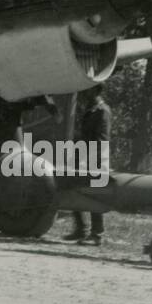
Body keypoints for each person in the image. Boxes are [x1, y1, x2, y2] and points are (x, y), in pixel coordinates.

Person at [62, 85, 112, 246]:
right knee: (74, 189)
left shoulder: (102, 110)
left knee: (94, 195)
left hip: (95, 159)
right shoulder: (91, 109)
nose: (84, 92)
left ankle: (97, 234)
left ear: (95, 91)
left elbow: (101, 140)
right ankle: (81, 229)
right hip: (84, 156)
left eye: (88, 90)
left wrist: (89, 159)